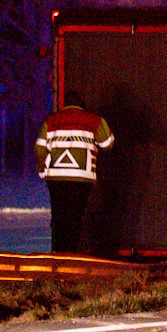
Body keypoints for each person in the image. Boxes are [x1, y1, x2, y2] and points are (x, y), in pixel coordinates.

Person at [36, 94, 115, 254]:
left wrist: (42, 170)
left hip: (55, 179)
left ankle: (57, 256)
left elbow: (39, 148)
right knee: (76, 217)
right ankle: (71, 257)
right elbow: (108, 144)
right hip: (82, 179)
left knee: (59, 216)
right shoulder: (93, 120)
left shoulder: (51, 120)